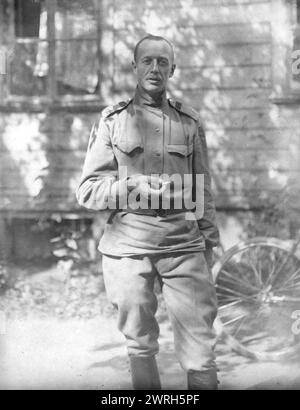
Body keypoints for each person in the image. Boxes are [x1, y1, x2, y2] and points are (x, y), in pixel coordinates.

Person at [76, 34, 220, 390]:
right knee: (138, 342)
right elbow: (88, 191)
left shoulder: (189, 122)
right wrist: (130, 187)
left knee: (201, 345)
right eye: (147, 61)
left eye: (162, 62)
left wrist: (209, 241)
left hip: (182, 244)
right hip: (128, 246)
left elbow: (202, 186)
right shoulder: (113, 121)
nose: (154, 68)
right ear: (134, 67)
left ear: (172, 69)